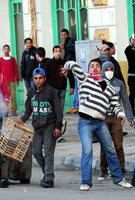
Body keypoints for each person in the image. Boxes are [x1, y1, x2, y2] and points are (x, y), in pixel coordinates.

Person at [62, 59, 132, 190]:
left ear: (101, 70)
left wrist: (120, 115)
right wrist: (66, 67)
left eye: (97, 66)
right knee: (87, 151)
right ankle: (86, 182)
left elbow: (115, 104)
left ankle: (118, 179)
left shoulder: (108, 86)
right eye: (92, 66)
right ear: (88, 70)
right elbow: (73, 64)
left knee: (110, 150)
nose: (94, 68)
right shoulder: (85, 78)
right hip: (85, 122)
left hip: (100, 122)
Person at [17, 68, 63, 188]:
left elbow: (58, 111)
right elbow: (28, 111)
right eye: (36, 78)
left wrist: (58, 127)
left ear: (45, 79)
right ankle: (47, 173)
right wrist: (22, 120)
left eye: (40, 78)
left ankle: (48, 178)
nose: (38, 80)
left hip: (50, 126)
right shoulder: (31, 92)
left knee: (48, 152)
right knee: (36, 152)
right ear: (33, 79)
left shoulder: (51, 92)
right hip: (37, 127)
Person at [98, 61, 134, 180]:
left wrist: (130, 118)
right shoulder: (99, 83)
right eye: (106, 69)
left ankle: (121, 169)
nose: (109, 72)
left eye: (111, 69)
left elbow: (125, 101)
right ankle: (103, 170)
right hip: (103, 118)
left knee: (118, 145)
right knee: (104, 145)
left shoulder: (119, 84)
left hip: (117, 118)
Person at [44, 45, 75, 110]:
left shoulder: (65, 63)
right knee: (53, 108)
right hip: (52, 89)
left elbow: (70, 76)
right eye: (56, 51)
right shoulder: (49, 63)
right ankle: (53, 120)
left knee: (60, 108)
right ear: (53, 53)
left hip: (62, 88)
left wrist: (72, 87)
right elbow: (45, 76)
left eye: (59, 51)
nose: (58, 53)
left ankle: (59, 120)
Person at [0, 44, 19, 116]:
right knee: (4, 96)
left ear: (9, 50)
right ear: (3, 50)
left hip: (12, 80)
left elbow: (16, 69)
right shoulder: (0, 59)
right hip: (3, 81)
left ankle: (13, 110)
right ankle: (5, 111)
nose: (6, 50)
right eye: (5, 49)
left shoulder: (13, 59)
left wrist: (17, 79)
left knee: (13, 95)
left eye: (8, 49)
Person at [124, 38, 135, 115]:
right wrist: (131, 43)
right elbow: (126, 50)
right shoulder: (129, 51)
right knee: (132, 93)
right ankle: (131, 111)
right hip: (131, 76)